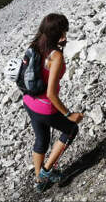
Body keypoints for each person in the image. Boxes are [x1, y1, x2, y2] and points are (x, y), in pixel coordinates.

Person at [23, 13, 84, 192]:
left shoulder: (34, 46)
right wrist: (68, 114)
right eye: (63, 31)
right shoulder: (55, 55)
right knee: (71, 129)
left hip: (28, 101)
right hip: (45, 107)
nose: (65, 35)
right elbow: (51, 93)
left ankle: (39, 181)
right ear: (57, 33)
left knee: (41, 139)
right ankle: (46, 171)